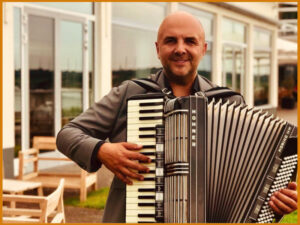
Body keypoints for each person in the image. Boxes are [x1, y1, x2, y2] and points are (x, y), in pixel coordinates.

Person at [57, 11, 297, 222]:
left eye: (190, 41)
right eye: (171, 40)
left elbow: (254, 181)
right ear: (158, 49)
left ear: (203, 49)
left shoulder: (230, 102)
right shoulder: (130, 94)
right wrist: (101, 150)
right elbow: (67, 134)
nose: (180, 48)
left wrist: (275, 201)